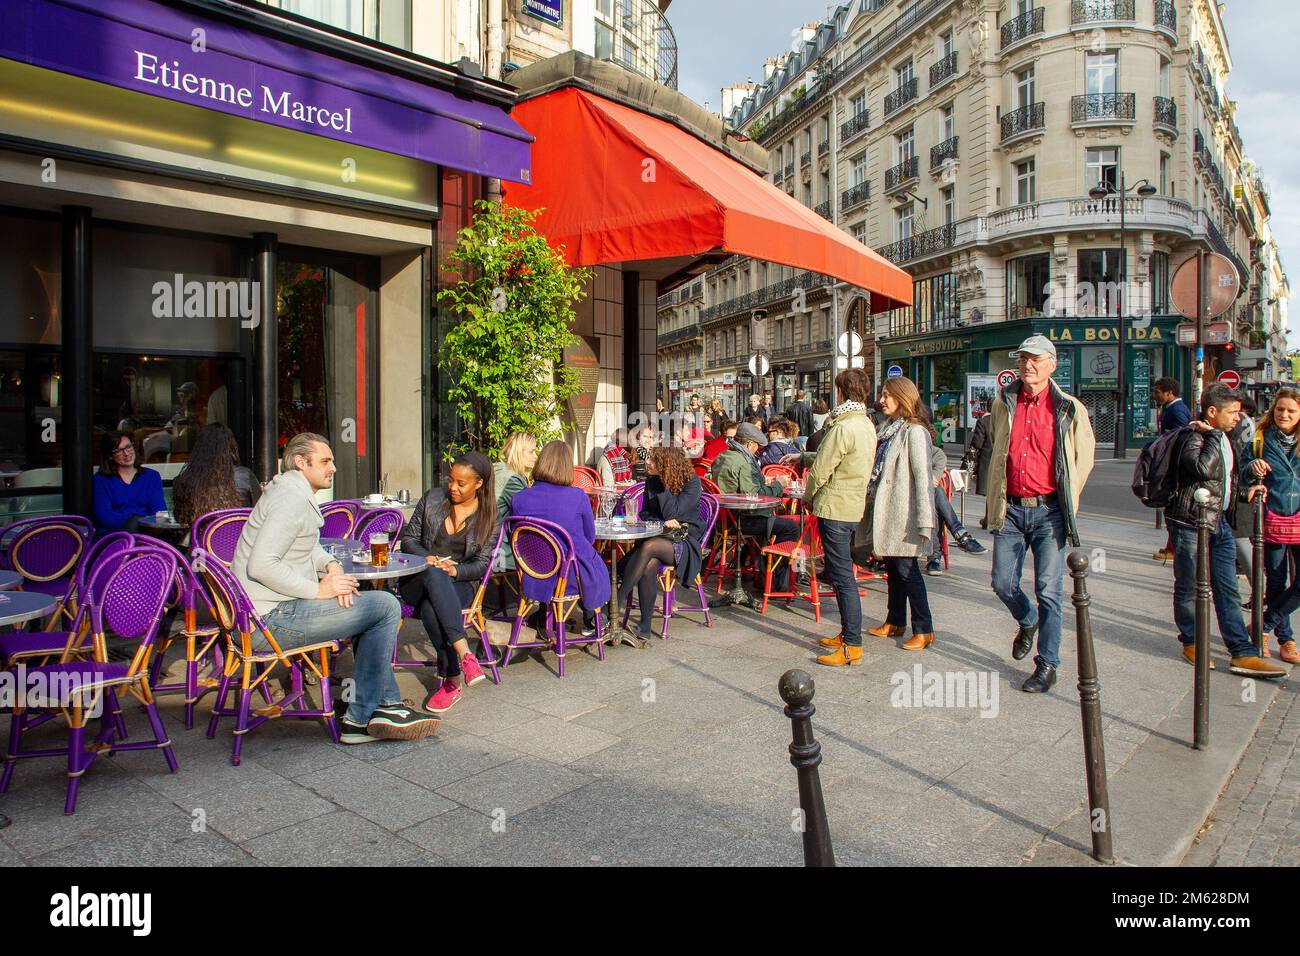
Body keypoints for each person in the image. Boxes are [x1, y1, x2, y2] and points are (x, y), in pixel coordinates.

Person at [233, 433, 439, 743]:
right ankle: (360, 718)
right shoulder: (290, 498)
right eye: (326, 461)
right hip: (269, 622)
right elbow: (261, 564)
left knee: (368, 603)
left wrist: (333, 568)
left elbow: (307, 546)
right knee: (385, 606)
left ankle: (387, 706)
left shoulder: (290, 490)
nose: (334, 468)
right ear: (302, 463)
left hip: (264, 614)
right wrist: (318, 591)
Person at [986, 336, 1096, 693]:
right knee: (1003, 583)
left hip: (1049, 512)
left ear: (1052, 364)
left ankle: (1048, 663)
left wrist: (1068, 499)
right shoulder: (1003, 402)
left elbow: (1084, 458)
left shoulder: (1069, 407)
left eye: (1035, 360)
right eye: (1023, 360)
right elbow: (999, 450)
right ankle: (1027, 619)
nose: (1027, 366)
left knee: (1049, 590)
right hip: (1012, 509)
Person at [1165, 385, 1284, 678]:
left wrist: (1245, 493)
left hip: (1220, 523)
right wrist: (1214, 436)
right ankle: (1192, 641)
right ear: (1212, 412)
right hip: (1191, 523)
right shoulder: (1192, 436)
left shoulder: (1224, 437)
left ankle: (1241, 651)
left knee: (1228, 588)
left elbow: (1223, 484)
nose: (1237, 418)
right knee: (1190, 585)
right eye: (1232, 413)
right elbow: (1201, 470)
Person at [400, 452, 500, 714]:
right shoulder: (433, 498)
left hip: (458, 584)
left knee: (434, 606)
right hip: (416, 580)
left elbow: (481, 565)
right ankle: (465, 654)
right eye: (451, 480)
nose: (453, 487)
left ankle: (452, 677)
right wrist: (428, 558)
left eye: (461, 483)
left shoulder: (489, 516)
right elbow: (408, 540)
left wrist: (454, 570)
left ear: (479, 484)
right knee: (434, 573)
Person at [788, 368, 876, 664]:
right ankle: (846, 633)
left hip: (835, 507)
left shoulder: (842, 427)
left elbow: (822, 469)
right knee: (842, 574)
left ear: (842, 392)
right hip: (851, 506)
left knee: (841, 577)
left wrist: (808, 497)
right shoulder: (865, 423)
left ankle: (852, 643)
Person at [847, 376, 935, 655]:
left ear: (903, 398)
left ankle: (924, 628)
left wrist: (925, 521)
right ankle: (895, 620)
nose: (881, 399)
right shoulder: (888, 429)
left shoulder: (914, 432)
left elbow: (923, 479)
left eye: (887, 395)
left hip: (904, 514)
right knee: (894, 569)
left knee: (908, 571)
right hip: (888, 513)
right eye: (882, 394)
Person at [508, 441, 612, 635]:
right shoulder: (577, 496)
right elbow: (590, 537)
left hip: (533, 574)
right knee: (598, 567)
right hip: (570, 576)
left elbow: (516, 537)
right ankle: (596, 619)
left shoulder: (520, 498)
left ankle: (542, 618)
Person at [615, 447, 705, 645]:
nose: (648, 463)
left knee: (648, 548)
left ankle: (616, 603)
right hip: (660, 536)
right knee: (649, 562)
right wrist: (662, 522)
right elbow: (646, 513)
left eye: (654, 461)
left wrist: (664, 484)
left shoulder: (692, 483)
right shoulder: (652, 480)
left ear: (666, 466)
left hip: (684, 541)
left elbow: (673, 510)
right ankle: (645, 627)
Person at [709, 422, 797, 601]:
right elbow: (755, 497)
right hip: (743, 520)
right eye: (756, 446)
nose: (757, 450)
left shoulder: (723, 456)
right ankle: (775, 584)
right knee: (791, 528)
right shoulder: (744, 463)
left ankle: (762, 576)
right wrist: (778, 485)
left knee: (771, 526)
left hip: (725, 520)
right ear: (749, 444)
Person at [1243, 387, 1300, 664]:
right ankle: (1285, 639)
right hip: (1274, 517)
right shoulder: (1260, 439)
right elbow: (1242, 470)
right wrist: (1253, 467)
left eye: (1291, 410)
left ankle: (1262, 626)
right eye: (1280, 409)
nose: (1284, 414)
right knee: (1276, 581)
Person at [925, 426, 988, 575]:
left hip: (926, 500)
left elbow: (934, 480)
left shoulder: (937, 454)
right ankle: (960, 535)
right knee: (936, 493)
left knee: (934, 500)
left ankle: (935, 558)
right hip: (906, 501)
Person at [172, 423, 245, 529]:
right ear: (231, 447)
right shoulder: (244, 476)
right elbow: (257, 509)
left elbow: (180, 518)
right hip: (237, 542)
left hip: (200, 543)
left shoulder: (184, 480)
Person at [1151, 377, 1193, 560]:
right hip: (1171, 462)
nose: (1155, 395)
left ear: (1169, 393)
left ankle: (1174, 548)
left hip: (1174, 465)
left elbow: (1183, 436)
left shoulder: (1177, 410)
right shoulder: (1171, 408)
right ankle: (1171, 546)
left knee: (1172, 505)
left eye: (1158, 391)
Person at [93, 431, 166, 532]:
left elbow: (160, 511)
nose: (126, 453)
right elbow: (105, 516)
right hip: (115, 536)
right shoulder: (101, 479)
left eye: (128, 447)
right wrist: (138, 519)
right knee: (134, 523)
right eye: (119, 450)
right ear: (110, 456)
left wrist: (146, 522)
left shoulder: (152, 476)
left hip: (145, 533)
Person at [494, 432, 536, 519]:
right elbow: (528, 512)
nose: (536, 456)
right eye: (531, 452)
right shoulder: (511, 479)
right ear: (518, 452)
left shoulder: (501, 469)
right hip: (496, 531)